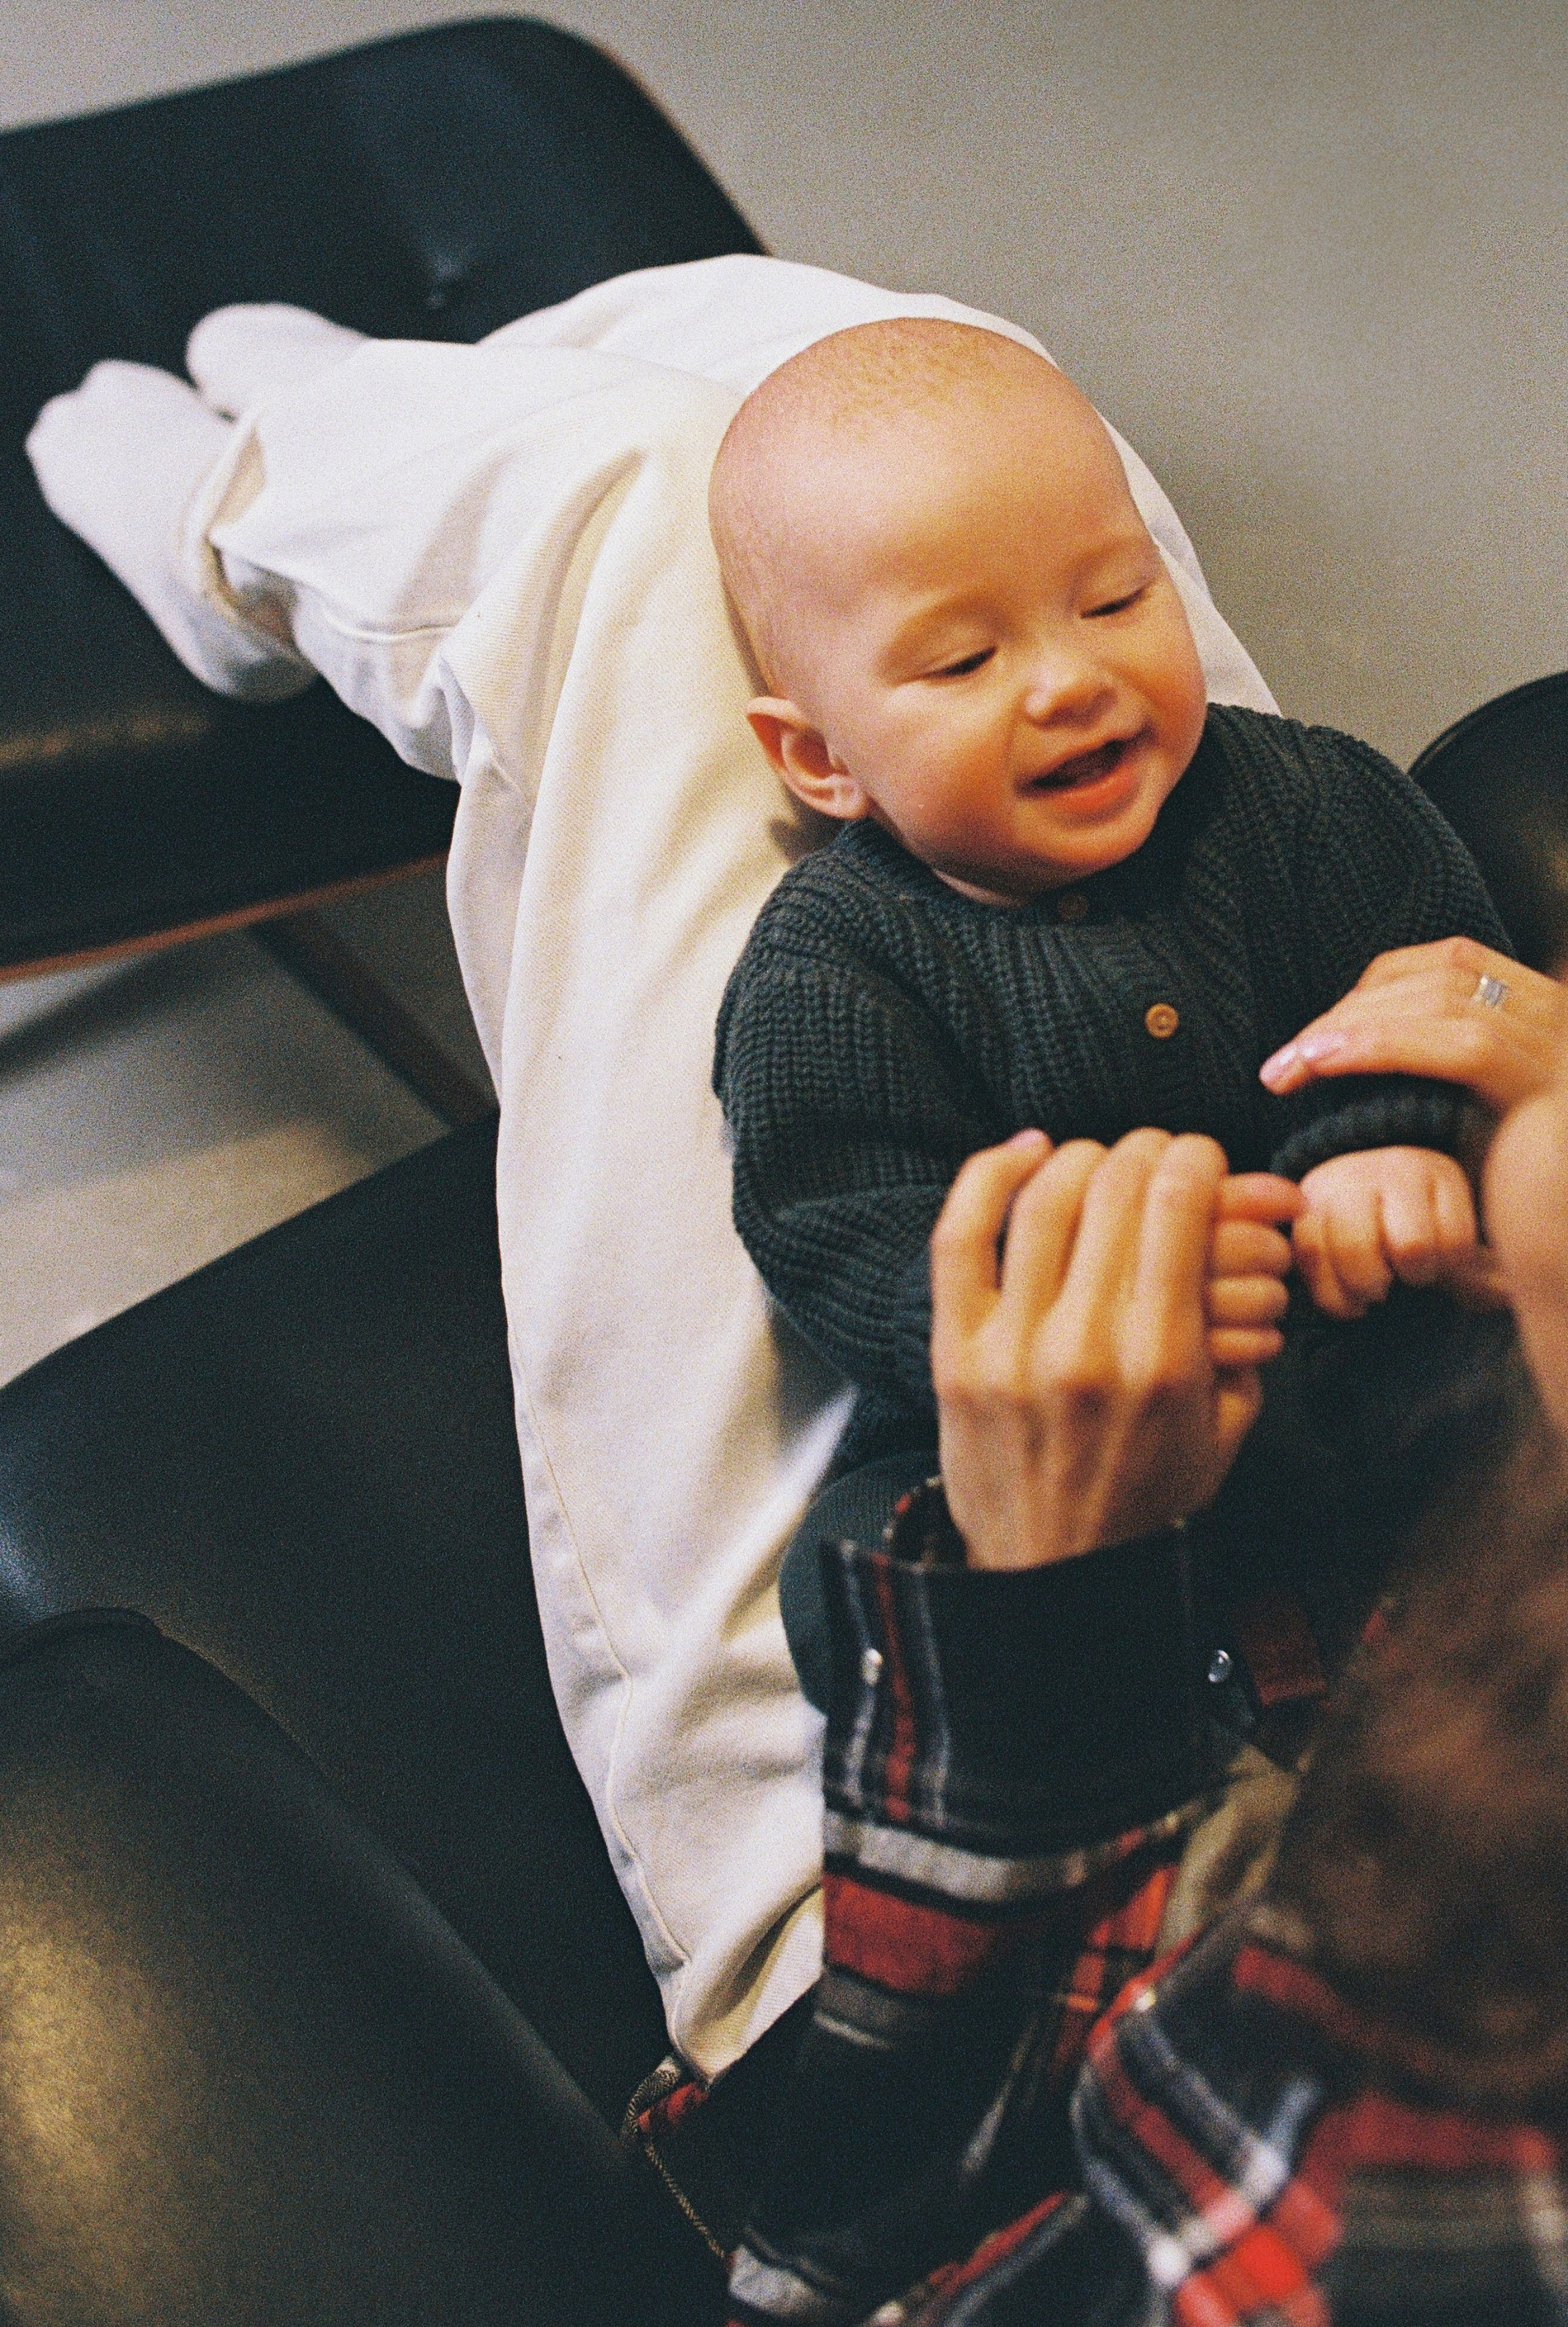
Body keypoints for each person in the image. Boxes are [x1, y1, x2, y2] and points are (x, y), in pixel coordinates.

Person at [641, 599, 1568, 2325]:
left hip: (1046, 1927)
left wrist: (1043, 1633)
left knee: (629, 493)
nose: (1535, 1048)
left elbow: (848, 2285)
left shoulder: (1461, 2173)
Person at [24, 255, 1275, 2084]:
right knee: (939, 395)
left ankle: (247, 507)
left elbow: (910, 2169)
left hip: (918, 1869)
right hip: (1382, 1545)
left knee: (628, 506)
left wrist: (1047, 1579)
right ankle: (367, 400)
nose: (1075, 674)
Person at [707, 319, 1514, 1685]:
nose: (1071, 678)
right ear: (822, 760)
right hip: (1059, 1432)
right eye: (963, 663)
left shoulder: (1305, 798)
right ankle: (1160, 1699)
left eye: (1115, 600)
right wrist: (1036, 1313)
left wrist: (1384, 1140)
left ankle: (1440, 1637)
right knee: (852, 1578)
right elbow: (829, 1215)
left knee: (1554, 1363)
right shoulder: (831, 968)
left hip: (1372, 1331)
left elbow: (1435, 973)